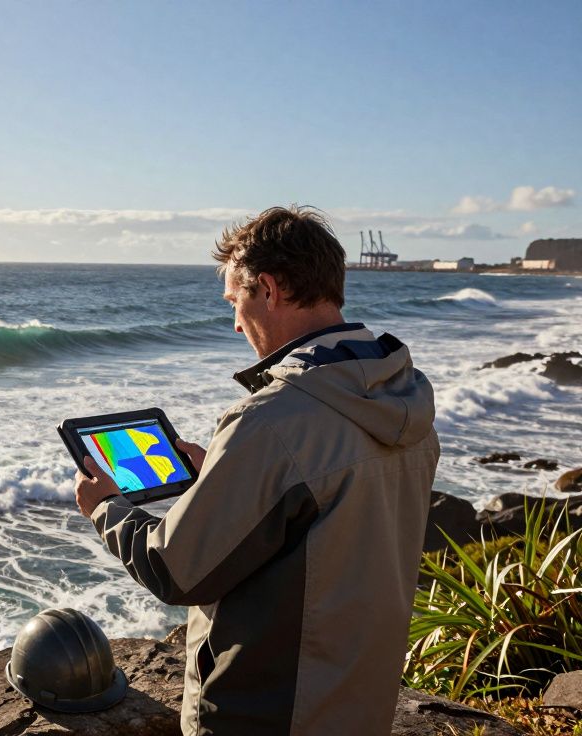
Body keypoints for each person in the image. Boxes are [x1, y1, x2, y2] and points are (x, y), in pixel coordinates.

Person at [74, 206, 440, 735]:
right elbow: (331, 523)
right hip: (360, 700)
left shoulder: (270, 422)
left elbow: (175, 570)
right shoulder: (404, 398)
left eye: (235, 301)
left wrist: (106, 507)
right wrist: (224, 481)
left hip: (269, 712)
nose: (235, 322)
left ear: (267, 288)